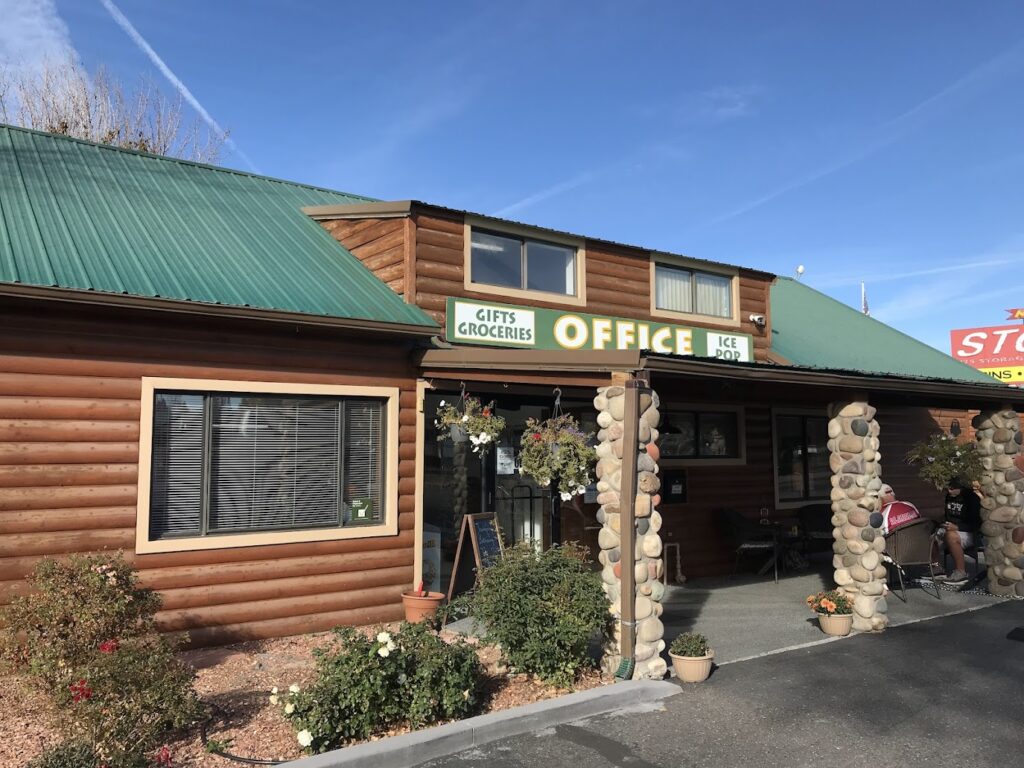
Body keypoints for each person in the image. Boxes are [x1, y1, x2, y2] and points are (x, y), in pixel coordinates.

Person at [930, 480, 982, 585]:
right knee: (932, 537)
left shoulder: (971, 499)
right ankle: (937, 568)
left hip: (969, 532)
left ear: (960, 487)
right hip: (950, 528)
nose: (949, 491)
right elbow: (947, 515)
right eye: (947, 489)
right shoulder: (949, 497)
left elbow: (977, 523)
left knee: (951, 536)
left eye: (952, 489)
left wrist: (957, 527)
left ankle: (961, 573)